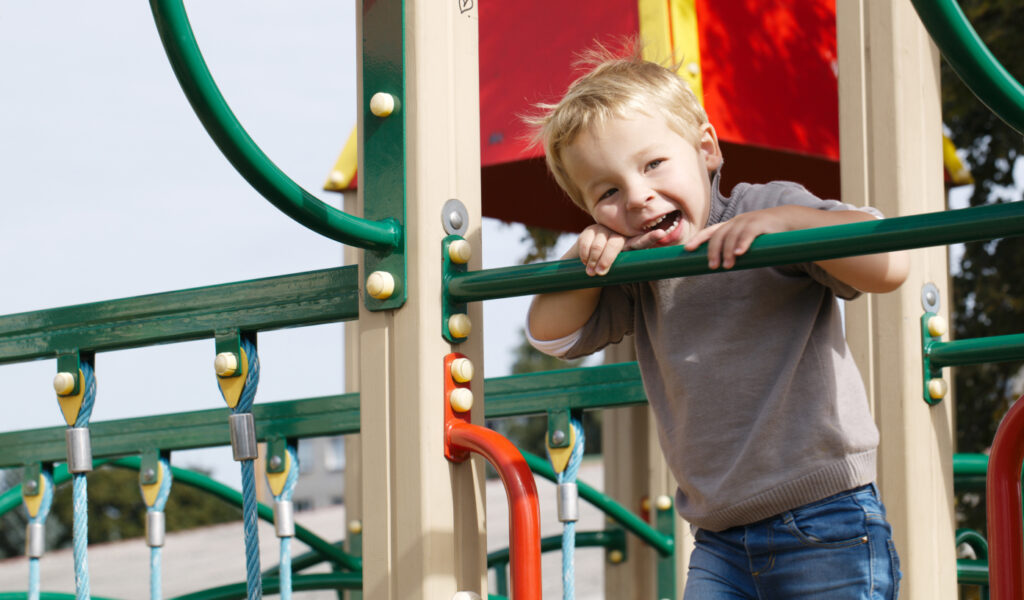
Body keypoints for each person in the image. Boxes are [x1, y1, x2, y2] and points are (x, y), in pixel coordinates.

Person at [524, 48, 909, 599]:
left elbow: (888, 262)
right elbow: (550, 335)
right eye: (606, 192)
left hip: (826, 516)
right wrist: (582, 260)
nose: (637, 196)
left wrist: (786, 225)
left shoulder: (765, 210)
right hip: (719, 540)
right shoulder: (636, 268)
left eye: (653, 164)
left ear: (706, 148)